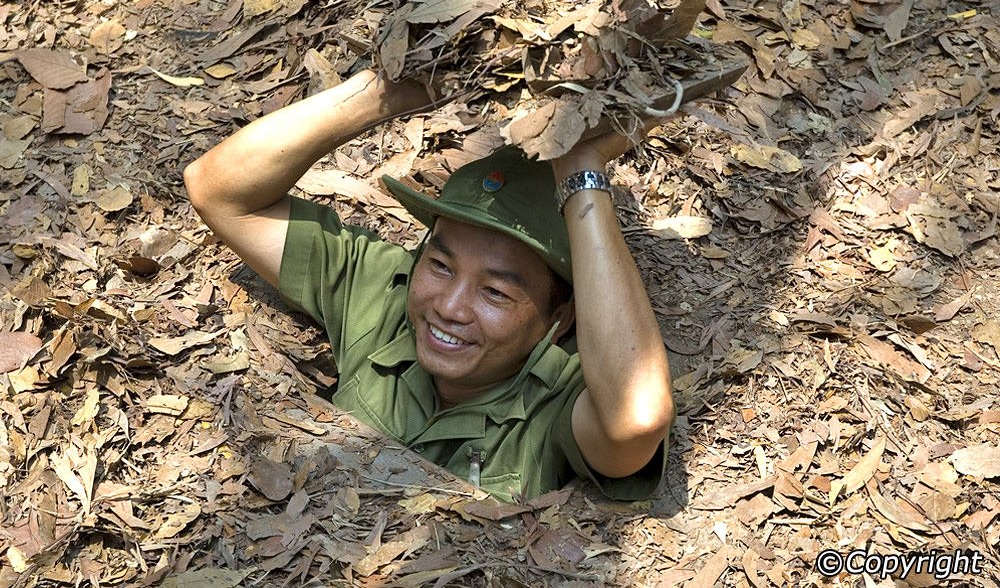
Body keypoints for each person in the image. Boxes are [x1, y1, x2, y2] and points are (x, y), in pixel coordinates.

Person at [183, 69, 675, 501]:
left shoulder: (559, 399)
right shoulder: (383, 292)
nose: (450, 307)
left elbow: (637, 417)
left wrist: (581, 168)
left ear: (560, 316)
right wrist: (392, 90)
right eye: (440, 265)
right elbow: (217, 190)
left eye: (495, 292)